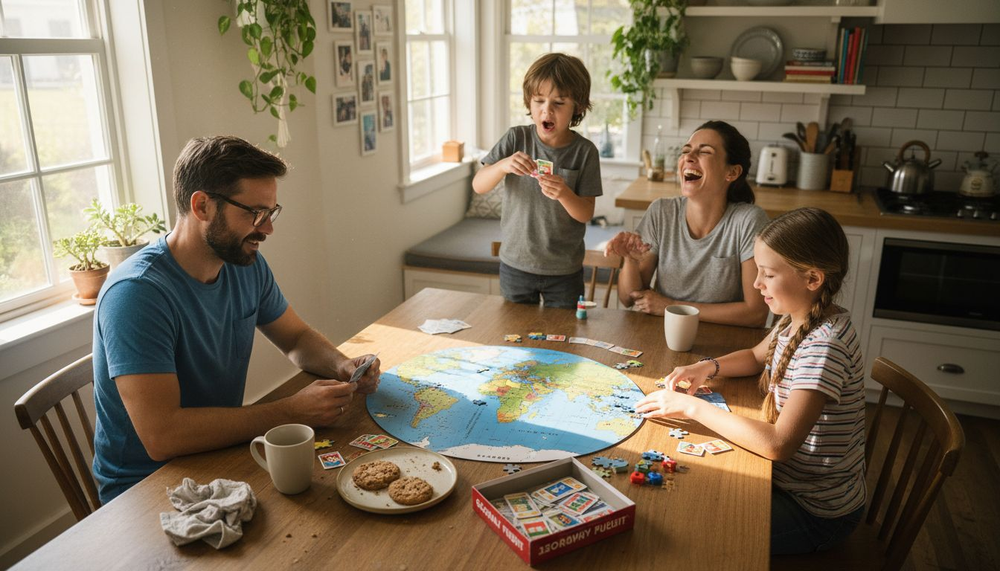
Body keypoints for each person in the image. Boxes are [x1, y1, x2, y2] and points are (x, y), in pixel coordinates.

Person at [91, 136, 381, 502]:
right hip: (147, 489)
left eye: (272, 213)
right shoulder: (136, 294)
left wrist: (342, 365)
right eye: (255, 213)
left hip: (221, 456)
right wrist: (290, 411)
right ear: (202, 206)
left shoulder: (244, 263)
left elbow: (295, 338)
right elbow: (162, 437)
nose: (268, 228)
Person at [636, 207, 866, 555]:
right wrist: (707, 367)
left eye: (767, 274)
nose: (757, 283)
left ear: (813, 279)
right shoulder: (799, 315)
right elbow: (757, 356)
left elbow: (778, 445)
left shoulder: (824, 348)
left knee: (690, 531)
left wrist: (692, 407)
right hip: (785, 481)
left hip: (815, 510)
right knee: (690, 495)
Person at [604, 121, 769, 327]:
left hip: (725, 342)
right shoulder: (662, 212)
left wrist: (671, 306)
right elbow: (628, 298)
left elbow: (755, 314)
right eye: (686, 151)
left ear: (732, 173)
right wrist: (630, 259)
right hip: (663, 335)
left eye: (705, 152)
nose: (688, 158)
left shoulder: (748, 221)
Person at [472, 52, 602, 308]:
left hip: (564, 270)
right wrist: (502, 165)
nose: (547, 110)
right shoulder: (515, 139)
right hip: (515, 265)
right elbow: (479, 185)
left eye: (559, 102)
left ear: (577, 106)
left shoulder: (585, 152)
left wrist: (564, 193)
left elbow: (585, 212)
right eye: (539, 100)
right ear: (529, 104)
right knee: (514, 339)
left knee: (563, 337)